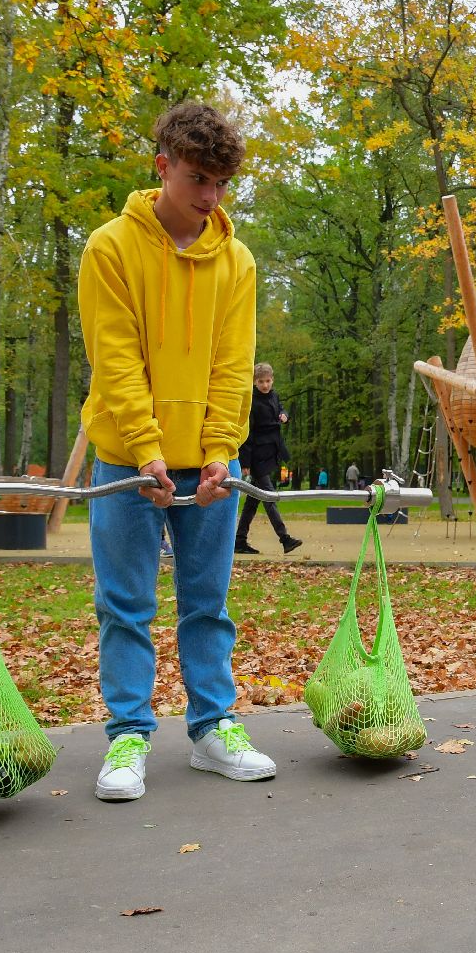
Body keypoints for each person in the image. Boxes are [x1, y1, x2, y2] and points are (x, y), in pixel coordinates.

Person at [79, 101, 276, 802]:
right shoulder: (110, 247)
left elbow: (233, 363)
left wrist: (223, 448)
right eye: (198, 179)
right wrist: (145, 450)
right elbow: (116, 356)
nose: (210, 197)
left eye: (222, 184)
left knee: (207, 603)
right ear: (163, 167)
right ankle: (129, 737)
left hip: (210, 466)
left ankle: (212, 730)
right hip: (127, 460)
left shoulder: (238, 262)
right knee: (126, 604)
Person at [235, 362, 301, 555]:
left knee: (253, 501)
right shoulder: (251, 402)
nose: (265, 385)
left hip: (271, 450)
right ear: (255, 382)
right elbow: (248, 434)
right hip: (257, 456)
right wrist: (245, 463)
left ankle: (239, 541)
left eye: (268, 381)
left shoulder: (274, 395)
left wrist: (284, 416)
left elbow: (282, 409)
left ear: (272, 380)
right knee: (269, 496)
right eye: (261, 381)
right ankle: (285, 538)